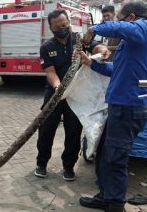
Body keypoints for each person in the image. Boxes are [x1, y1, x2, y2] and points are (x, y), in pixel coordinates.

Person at [78, 0, 147, 212]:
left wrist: (94, 28)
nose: (115, 22)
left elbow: (119, 27)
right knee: (106, 153)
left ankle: (114, 205)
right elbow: (117, 70)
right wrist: (93, 63)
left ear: (131, 17)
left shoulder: (144, 29)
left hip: (128, 108)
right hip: (120, 107)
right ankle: (107, 195)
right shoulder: (133, 43)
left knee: (116, 158)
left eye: (119, 17)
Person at [34, 9, 109, 182]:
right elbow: (50, 72)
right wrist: (59, 88)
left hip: (77, 95)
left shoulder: (80, 40)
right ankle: (41, 163)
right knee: (46, 129)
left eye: (64, 24)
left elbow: (95, 46)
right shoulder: (47, 47)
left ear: (69, 22)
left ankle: (68, 167)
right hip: (55, 94)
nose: (62, 27)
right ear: (51, 28)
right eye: (57, 26)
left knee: (73, 131)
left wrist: (102, 48)